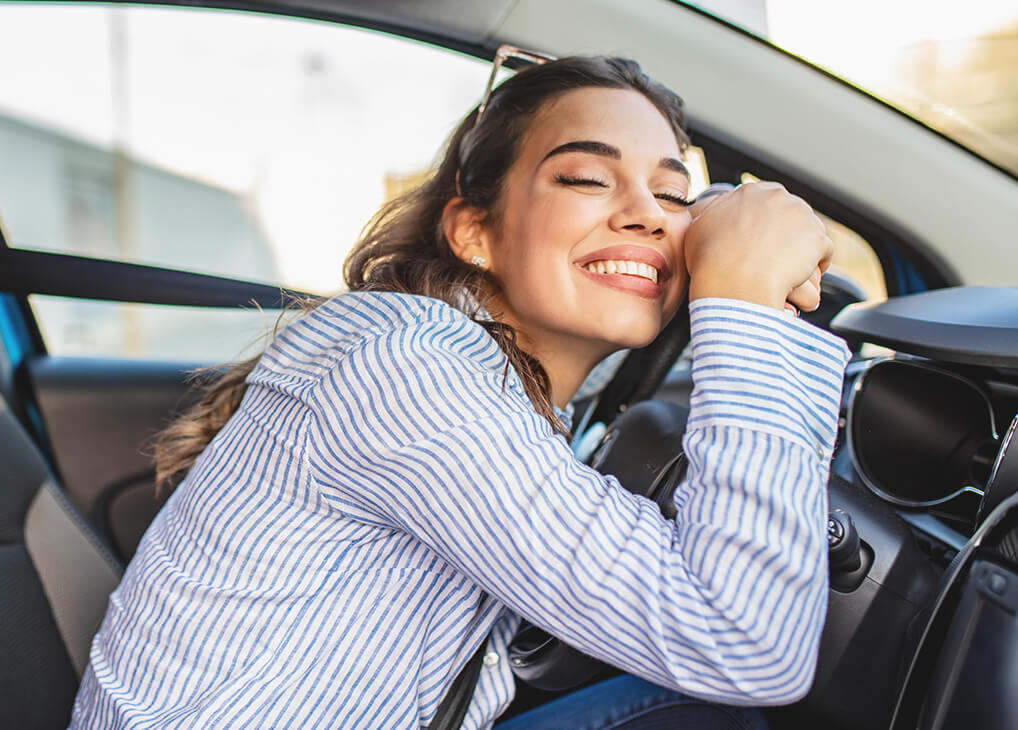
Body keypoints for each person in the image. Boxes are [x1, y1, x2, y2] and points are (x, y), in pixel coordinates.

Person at [70, 52, 848, 729]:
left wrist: (729, 249)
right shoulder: (407, 366)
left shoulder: (502, 375)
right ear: (473, 231)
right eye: (584, 176)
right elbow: (747, 645)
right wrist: (741, 301)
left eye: (672, 194)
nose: (647, 214)